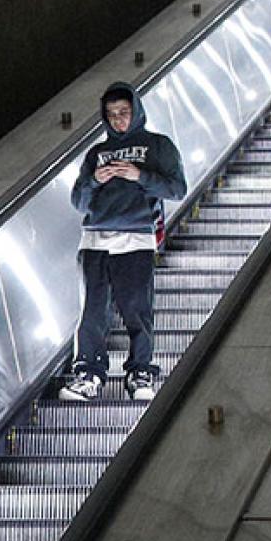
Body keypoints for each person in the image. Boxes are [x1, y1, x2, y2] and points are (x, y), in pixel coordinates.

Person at [62, 82, 186, 402]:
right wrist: (94, 180)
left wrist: (139, 175)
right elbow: (78, 200)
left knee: (136, 309)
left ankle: (140, 371)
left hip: (136, 237)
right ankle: (89, 373)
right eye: (112, 115)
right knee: (91, 311)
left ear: (136, 112)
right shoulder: (96, 154)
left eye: (124, 113)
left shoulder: (158, 146)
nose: (118, 120)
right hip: (95, 239)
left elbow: (177, 189)